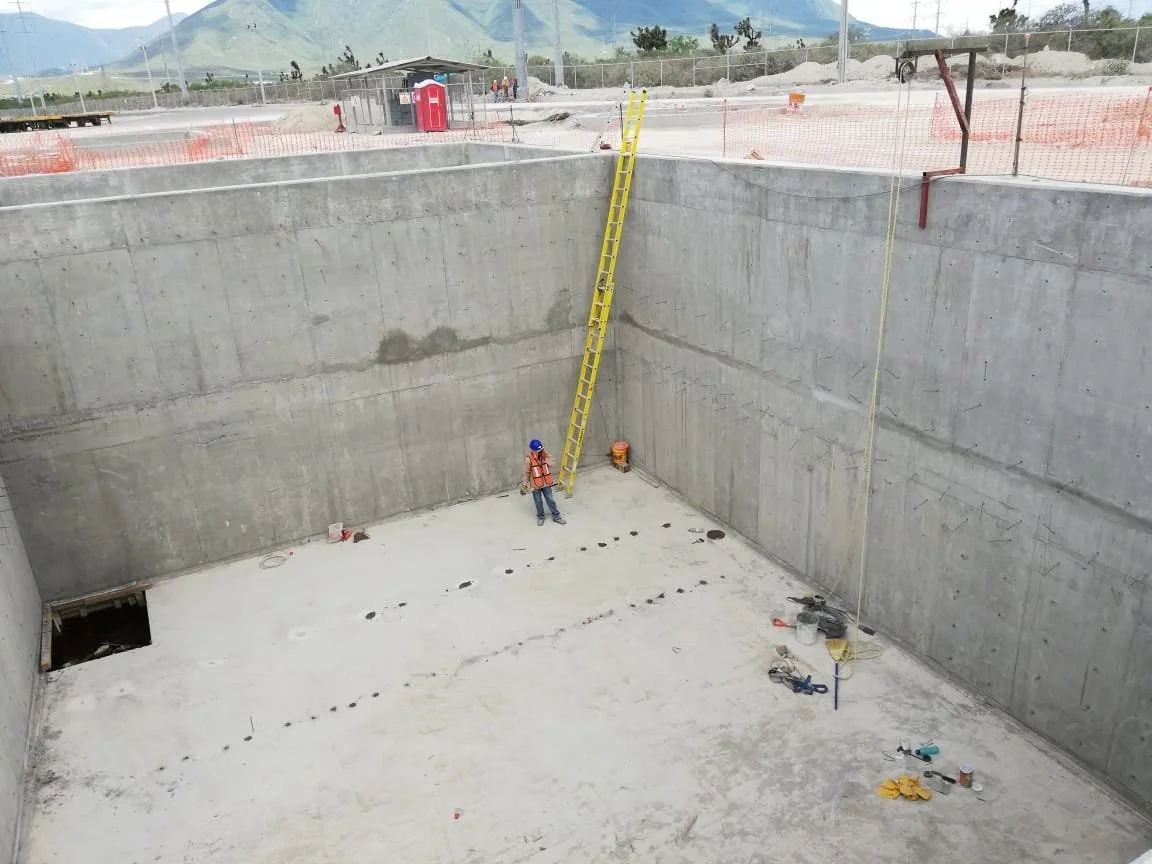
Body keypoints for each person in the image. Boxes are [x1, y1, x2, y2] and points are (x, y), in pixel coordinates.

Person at [521, 439, 565, 526]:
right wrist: (525, 483)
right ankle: (541, 517)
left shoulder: (546, 455)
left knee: (551, 500)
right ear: (532, 450)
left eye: (541, 450)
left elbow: (553, 464)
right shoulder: (528, 459)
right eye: (538, 450)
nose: (540, 452)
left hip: (546, 483)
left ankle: (556, 516)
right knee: (538, 501)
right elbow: (526, 473)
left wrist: (548, 460)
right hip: (535, 485)